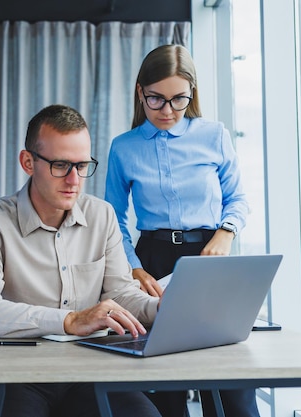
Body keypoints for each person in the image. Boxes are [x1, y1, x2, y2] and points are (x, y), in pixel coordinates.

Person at [0, 104, 162, 417]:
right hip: (16, 375)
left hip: (92, 370)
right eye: (60, 165)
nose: (74, 180)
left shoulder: (102, 216)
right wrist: (69, 320)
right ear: (28, 162)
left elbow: (120, 295)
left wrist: (162, 309)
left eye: (82, 165)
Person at [104, 44, 253, 417]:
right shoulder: (123, 148)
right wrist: (133, 267)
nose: (167, 110)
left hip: (208, 256)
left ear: (192, 93)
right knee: (160, 376)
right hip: (151, 261)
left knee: (228, 374)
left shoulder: (214, 136)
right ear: (141, 92)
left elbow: (238, 199)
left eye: (178, 100)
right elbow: (112, 219)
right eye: (156, 99)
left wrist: (226, 233)